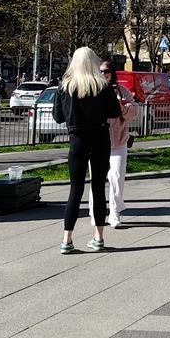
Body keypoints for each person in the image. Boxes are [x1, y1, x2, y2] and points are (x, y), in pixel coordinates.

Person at [54, 47, 120, 253]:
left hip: (77, 139)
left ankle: (67, 239)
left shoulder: (65, 87)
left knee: (75, 189)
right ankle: (98, 237)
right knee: (98, 187)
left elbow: (58, 117)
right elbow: (114, 112)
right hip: (100, 138)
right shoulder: (103, 86)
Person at [88, 60, 139, 228]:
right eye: (101, 71)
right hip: (97, 142)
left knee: (117, 176)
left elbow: (134, 110)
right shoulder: (92, 90)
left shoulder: (121, 90)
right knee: (97, 180)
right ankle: (95, 213)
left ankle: (115, 212)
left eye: (107, 71)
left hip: (118, 141)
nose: (104, 74)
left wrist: (122, 107)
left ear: (112, 73)